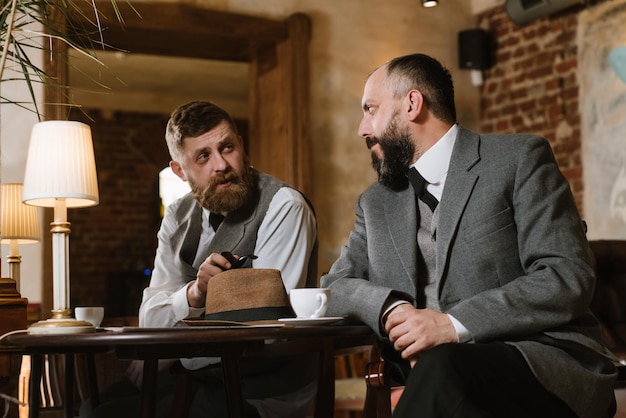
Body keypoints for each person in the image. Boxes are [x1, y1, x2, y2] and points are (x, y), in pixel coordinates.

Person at [321, 53, 617, 418]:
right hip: (433, 380)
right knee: (443, 378)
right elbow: (333, 286)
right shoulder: (375, 203)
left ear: (412, 104)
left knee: (445, 368)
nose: (362, 129)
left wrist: (451, 325)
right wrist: (390, 308)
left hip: (535, 360)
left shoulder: (519, 159)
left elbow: (566, 276)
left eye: (370, 109)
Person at [83, 101, 319, 418]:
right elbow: (151, 319)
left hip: (264, 391)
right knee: (92, 407)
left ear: (241, 146)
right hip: (202, 379)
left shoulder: (283, 206)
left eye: (228, 147)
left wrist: (172, 352)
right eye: (203, 156)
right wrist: (194, 294)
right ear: (180, 170)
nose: (221, 164)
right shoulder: (178, 215)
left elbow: (264, 325)